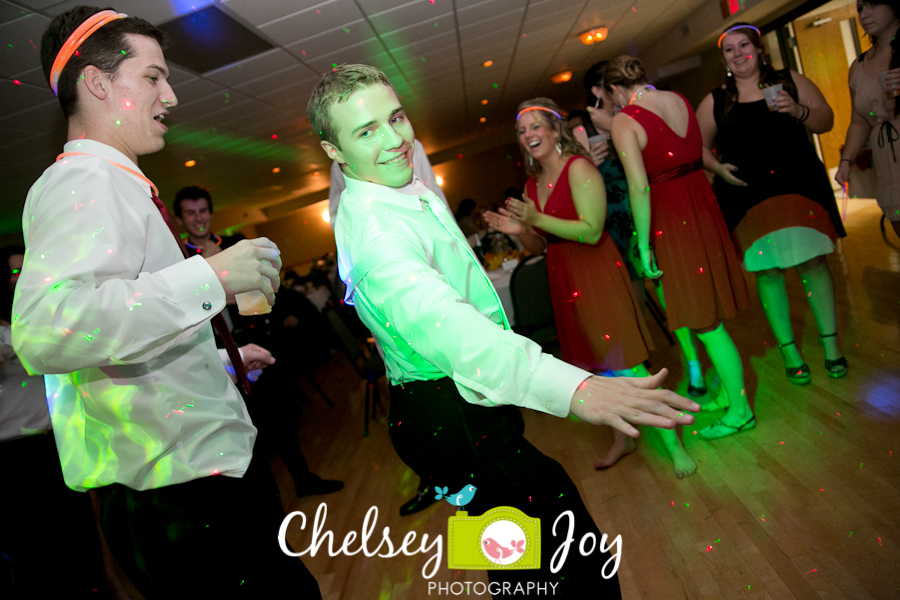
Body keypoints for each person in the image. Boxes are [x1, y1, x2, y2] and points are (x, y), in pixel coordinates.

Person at [309, 63, 701, 595]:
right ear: (334, 152)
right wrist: (579, 389)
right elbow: (459, 338)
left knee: (510, 554)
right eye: (366, 131)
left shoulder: (389, 190)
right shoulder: (378, 235)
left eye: (395, 118)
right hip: (451, 415)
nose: (395, 139)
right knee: (571, 552)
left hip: (440, 412)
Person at [12, 7, 320, 597]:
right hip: (185, 502)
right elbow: (48, 329)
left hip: (198, 483)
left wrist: (220, 362)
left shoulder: (116, 185)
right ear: (98, 84)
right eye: (153, 77)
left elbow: (121, 329)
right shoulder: (83, 183)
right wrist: (209, 277)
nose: (170, 95)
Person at [486, 98, 696, 479]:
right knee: (595, 366)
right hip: (562, 275)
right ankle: (622, 438)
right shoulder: (532, 186)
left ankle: (673, 443)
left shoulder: (579, 169)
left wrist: (537, 218)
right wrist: (522, 231)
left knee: (626, 360)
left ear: (554, 130)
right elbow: (540, 244)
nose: (529, 135)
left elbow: (591, 230)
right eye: (522, 130)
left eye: (535, 126)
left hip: (596, 271)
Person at [606, 55, 754, 441]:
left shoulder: (625, 119)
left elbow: (639, 187)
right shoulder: (679, 100)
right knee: (709, 310)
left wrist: (643, 243)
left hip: (673, 219)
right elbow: (694, 153)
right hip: (702, 208)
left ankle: (741, 411)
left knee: (706, 323)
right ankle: (728, 391)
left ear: (614, 90)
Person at [698, 23, 848, 383]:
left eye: (744, 45)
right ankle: (790, 353)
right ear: (724, 59)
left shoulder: (789, 80)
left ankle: (831, 347)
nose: (738, 53)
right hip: (749, 194)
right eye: (729, 49)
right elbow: (698, 147)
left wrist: (798, 110)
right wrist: (718, 168)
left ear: (759, 49)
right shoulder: (716, 100)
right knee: (768, 271)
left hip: (799, 185)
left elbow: (825, 121)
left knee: (813, 262)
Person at [584, 61, 711, 401]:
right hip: (616, 217)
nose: (606, 96)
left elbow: (665, 147)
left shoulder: (626, 116)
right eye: (599, 91)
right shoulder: (588, 123)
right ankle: (676, 366)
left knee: (680, 291)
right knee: (652, 297)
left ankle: (698, 367)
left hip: (650, 209)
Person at [0, 246, 104, 598]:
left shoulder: (40, 320)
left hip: (54, 442)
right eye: (12, 273)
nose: (19, 280)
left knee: (76, 535)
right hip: (13, 454)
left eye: (23, 272)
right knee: (34, 546)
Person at [836, 1, 900, 238]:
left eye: (873, 5)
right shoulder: (859, 66)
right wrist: (846, 161)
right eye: (860, 8)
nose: (864, 14)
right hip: (888, 163)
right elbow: (860, 121)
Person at [328, 137, 448, 226]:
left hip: (427, 224)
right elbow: (337, 214)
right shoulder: (344, 163)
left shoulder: (411, 145)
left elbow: (433, 191)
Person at [172, 185, 245, 256]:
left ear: (211, 214)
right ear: (179, 220)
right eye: (190, 213)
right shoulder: (180, 257)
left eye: (203, 211)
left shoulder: (236, 243)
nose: (199, 219)